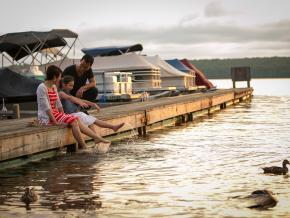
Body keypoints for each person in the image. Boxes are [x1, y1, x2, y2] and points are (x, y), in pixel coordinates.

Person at [36, 65, 110, 149]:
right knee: (74, 121)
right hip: (47, 117)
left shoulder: (53, 87)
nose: (60, 79)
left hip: (55, 114)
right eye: (59, 76)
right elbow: (47, 108)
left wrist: (63, 115)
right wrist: (56, 122)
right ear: (54, 77)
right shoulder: (41, 88)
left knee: (76, 119)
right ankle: (85, 145)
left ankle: (96, 138)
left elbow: (58, 103)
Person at [59, 75, 125, 134]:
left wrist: (93, 104)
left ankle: (107, 131)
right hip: (70, 116)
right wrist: (79, 102)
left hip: (75, 114)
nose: (72, 88)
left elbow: (78, 99)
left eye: (72, 86)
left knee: (91, 119)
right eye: (70, 85)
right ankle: (111, 127)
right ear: (64, 84)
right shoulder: (61, 93)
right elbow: (71, 98)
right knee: (90, 119)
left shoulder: (68, 93)